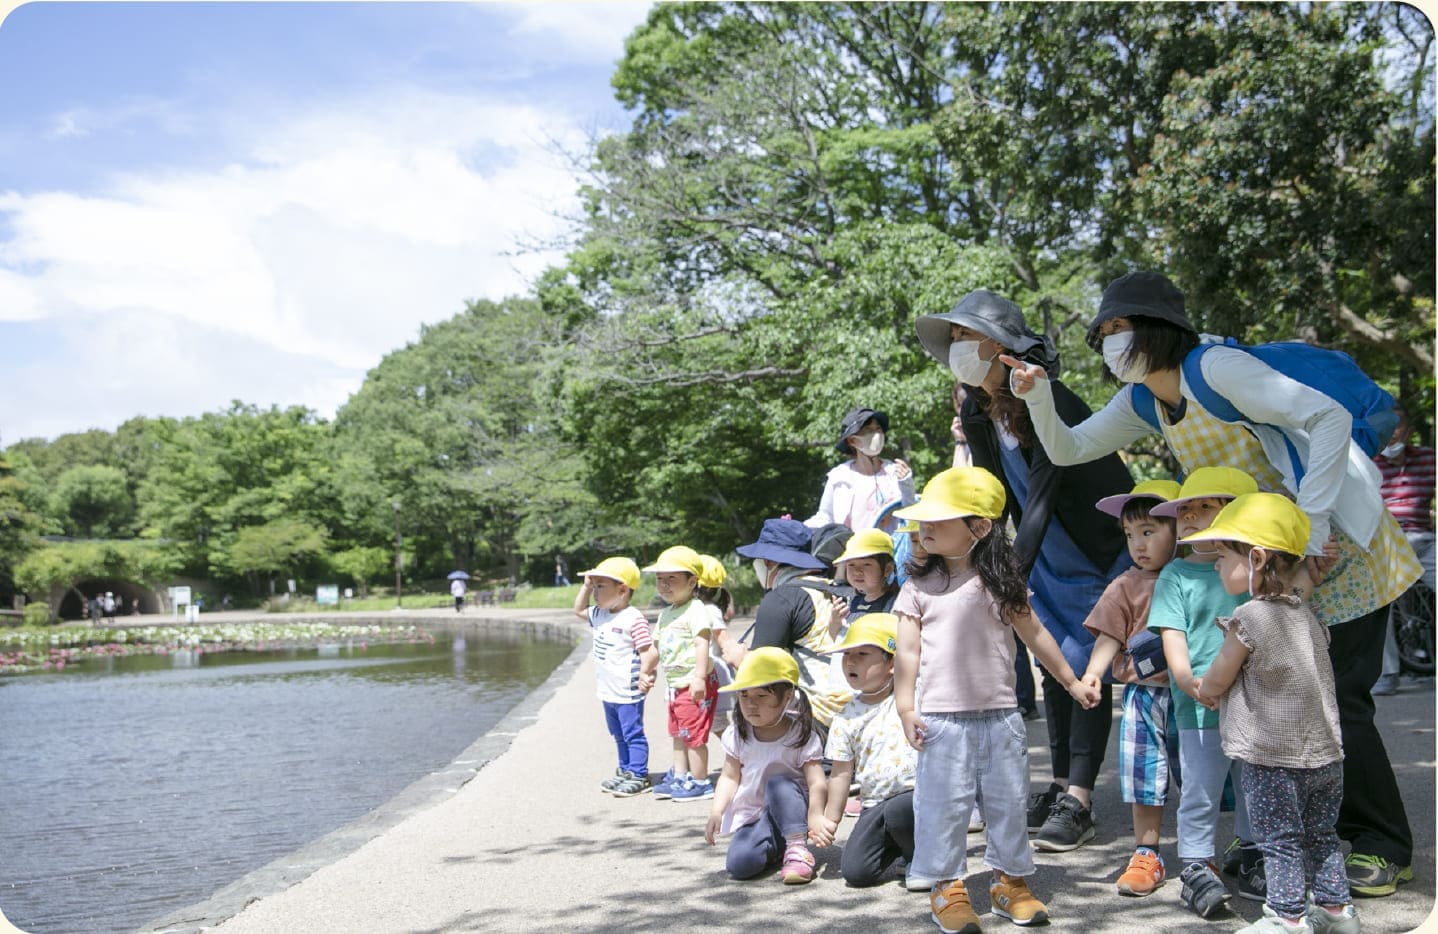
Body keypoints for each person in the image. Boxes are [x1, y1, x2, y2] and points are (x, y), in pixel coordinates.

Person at [1005, 270, 1423, 897]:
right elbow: (1068, 449)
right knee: (1285, 697)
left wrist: (1310, 525)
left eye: (1122, 327)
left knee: (1343, 700)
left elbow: (1329, 417)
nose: (1111, 341)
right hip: (1274, 562)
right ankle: (1306, 839)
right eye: (1105, 332)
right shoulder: (1146, 399)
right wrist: (1037, 396)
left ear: (1160, 330)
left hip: (1337, 546)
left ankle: (1383, 845)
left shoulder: (1216, 369)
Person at [915, 289, 1133, 851]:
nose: (958, 348)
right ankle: (1060, 781)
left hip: (1091, 545)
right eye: (954, 338)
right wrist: (987, 556)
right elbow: (992, 494)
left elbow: (1043, 487)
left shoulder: (1045, 397)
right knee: (1051, 662)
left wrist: (1006, 569)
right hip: (1042, 548)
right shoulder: (974, 407)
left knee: (1085, 666)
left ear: (1001, 344)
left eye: (967, 336)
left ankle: (1080, 799)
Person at [892, 466, 1100, 931]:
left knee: (1007, 805)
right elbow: (906, 654)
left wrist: (1072, 681)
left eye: (939, 520)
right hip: (942, 721)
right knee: (943, 807)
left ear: (980, 528)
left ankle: (1010, 884)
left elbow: (1038, 636)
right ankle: (947, 887)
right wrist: (906, 708)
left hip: (1002, 717)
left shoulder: (1003, 586)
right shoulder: (917, 588)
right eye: (923, 520)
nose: (925, 528)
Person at [1188, 493, 1360, 934]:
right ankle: (1337, 913)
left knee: (1279, 841)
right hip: (1325, 756)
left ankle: (1287, 917)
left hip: (1272, 760)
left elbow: (1221, 674)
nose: (1215, 565)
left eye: (1224, 556)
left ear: (1258, 559)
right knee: (1321, 836)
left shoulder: (1249, 617)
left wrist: (1205, 690)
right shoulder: (1307, 615)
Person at [1138, 466, 1260, 916]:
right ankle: (1195, 864)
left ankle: (1252, 854)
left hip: (1254, 702)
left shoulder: (1253, 569)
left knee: (1254, 785)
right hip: (1200, 703)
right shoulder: (1176, 574)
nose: (1189, 515)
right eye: (1185, 508)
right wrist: (1187, 679)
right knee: (1201, 788)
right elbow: (1173, 633)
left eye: (1204, 506)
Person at [1078, 478, 1183, 897]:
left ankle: (1211, 849)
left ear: (1179, 528)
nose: (1138, 545)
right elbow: (1109, 635)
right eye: (1129, 535)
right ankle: (1147, 852)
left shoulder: (1197, 575)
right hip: (1143, 695)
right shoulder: (1125, 585)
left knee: (1205, 774)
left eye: (1149, 532)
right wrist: (1092, 673)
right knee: (1145, 775)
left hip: (1195, 692)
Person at [704, 647, 827, 885]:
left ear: (788, 696)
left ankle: (797, 847)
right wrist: (717, 811)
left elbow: (817, 781)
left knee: (779, 783)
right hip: (755, 816)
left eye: (761, 696)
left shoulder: (800, 734)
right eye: (744, 696)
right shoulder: (738, 734)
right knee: (739, 865)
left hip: (792, 811)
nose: (751, 705)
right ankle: (778, 847)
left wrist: (816, 816)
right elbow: (729, 777)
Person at [811, 613, 917, 888]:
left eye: (862, 654)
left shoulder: (913, 697)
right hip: (874, 805)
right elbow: (840, 773)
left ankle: (918, 854)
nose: (850, 661)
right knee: (856, 873)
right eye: (847, 654)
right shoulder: (845, 716)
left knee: (900, 809)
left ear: (892, 662)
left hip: (918, 798)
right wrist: (830, 820)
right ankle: (901, 847)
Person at [736, 517, 855, 730]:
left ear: (769, 562)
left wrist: (737, 658)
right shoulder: (833, 589)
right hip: (853, 708)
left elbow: (762, 672)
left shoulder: (781, 599)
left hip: (814, 716)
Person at [572, 557, 658, 798]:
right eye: (595, 586)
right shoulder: (599, 614)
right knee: (617, 733)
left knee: (633, 733)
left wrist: (644, 673)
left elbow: (649, 652)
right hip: (607, 690)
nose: (595, 592)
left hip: (627, 690)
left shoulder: (633, 618)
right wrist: (586, 587)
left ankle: (639, 774)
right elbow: (578, 610)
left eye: (601, 586)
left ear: (622, 590)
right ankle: (625, 769)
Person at [643, 546, 718, 802]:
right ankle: (681, 775)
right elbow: (656, 647)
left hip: (694, 682)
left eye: (672, 579)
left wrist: (699, 677)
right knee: (678, 733)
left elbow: (702, 644)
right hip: (675, 685)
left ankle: (700, 781)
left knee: (694, 736)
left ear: (692, 581)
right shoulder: (666, 613)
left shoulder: (696, 609)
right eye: (660, 579)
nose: (664, 585)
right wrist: (645, 670)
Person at [1372, 404, 1435, 694]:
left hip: (1425, 539)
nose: (1393, 434)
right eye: (1387, 428)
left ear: (1408, 431)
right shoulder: (1369, 463)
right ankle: (1388, 674)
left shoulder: (1428, 458)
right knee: (1378, 603)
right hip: (1389, 543)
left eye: (1398, 426)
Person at [804, 406, 915, 532]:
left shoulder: (896, 473)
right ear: (852, 441)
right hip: (850, 549)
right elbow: (825, 517)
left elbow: (911, 514)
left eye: (878, 429)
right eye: (868, 430)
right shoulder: (839, 477)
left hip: (890, 549)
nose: (876, 434)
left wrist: (906, 483)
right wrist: (798, 528)